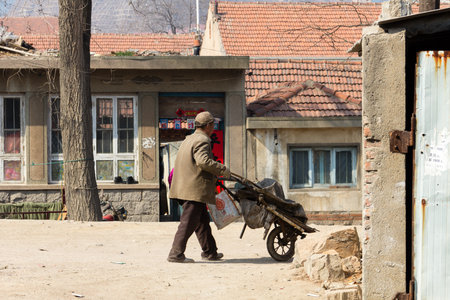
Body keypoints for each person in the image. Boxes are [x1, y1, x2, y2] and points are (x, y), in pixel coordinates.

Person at [167, 111, 231, 263]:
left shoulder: (189, 139)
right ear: (208, 125)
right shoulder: (203, 140)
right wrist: (222, 169)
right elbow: (203, 161)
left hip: (184, 186)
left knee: (202, 222)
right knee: (188, 223)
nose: (214, 128)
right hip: (193, 189)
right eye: (213, 125)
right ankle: (175, 254)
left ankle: (210, 252)